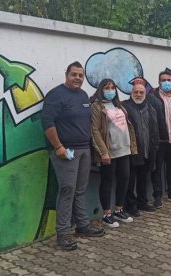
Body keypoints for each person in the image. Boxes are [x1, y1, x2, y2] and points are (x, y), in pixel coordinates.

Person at [41, 61, 104, 251]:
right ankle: (63, 233)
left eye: (80, 75)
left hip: (84, 149)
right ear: (66, 75)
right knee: (67, 190)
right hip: (65, 152)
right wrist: (58, 146)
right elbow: (47, 122)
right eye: (74, 74)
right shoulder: (56, 95)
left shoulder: (83, 95)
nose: (77, 78)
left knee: (80, 190)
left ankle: (82, 226)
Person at [91, 78, 138, 228]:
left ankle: (119, 209)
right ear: (101, 89)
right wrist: (103, 152)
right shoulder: (97, 106)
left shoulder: (119, 105)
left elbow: (128, 126)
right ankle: (106, 214)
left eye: (112, 87)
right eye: (107, 87)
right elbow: (95, 130)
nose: (110, 90)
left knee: (124, 179)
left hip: (124, 149)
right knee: (107, 181)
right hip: (109, 152)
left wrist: (132, 147)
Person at [148, 70, 171, 208]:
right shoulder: (153, 97)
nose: (167, 82)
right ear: (159, 82)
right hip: (160, 140)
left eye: (169, 80)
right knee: (157, 169)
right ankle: (157, 196)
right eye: (163, 80)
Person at [122, 79, 159, 217]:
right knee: (130, 181)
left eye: (141, 92)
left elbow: (155, 130)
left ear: (145, 94)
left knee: (143, 178)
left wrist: (155, 148)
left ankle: (142, 202)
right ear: (131, 93)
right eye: (136, 92)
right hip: (131, 151)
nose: (138, 94)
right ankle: (130, 205)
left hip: (147, 150)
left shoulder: (150, 108)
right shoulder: (124, 107)